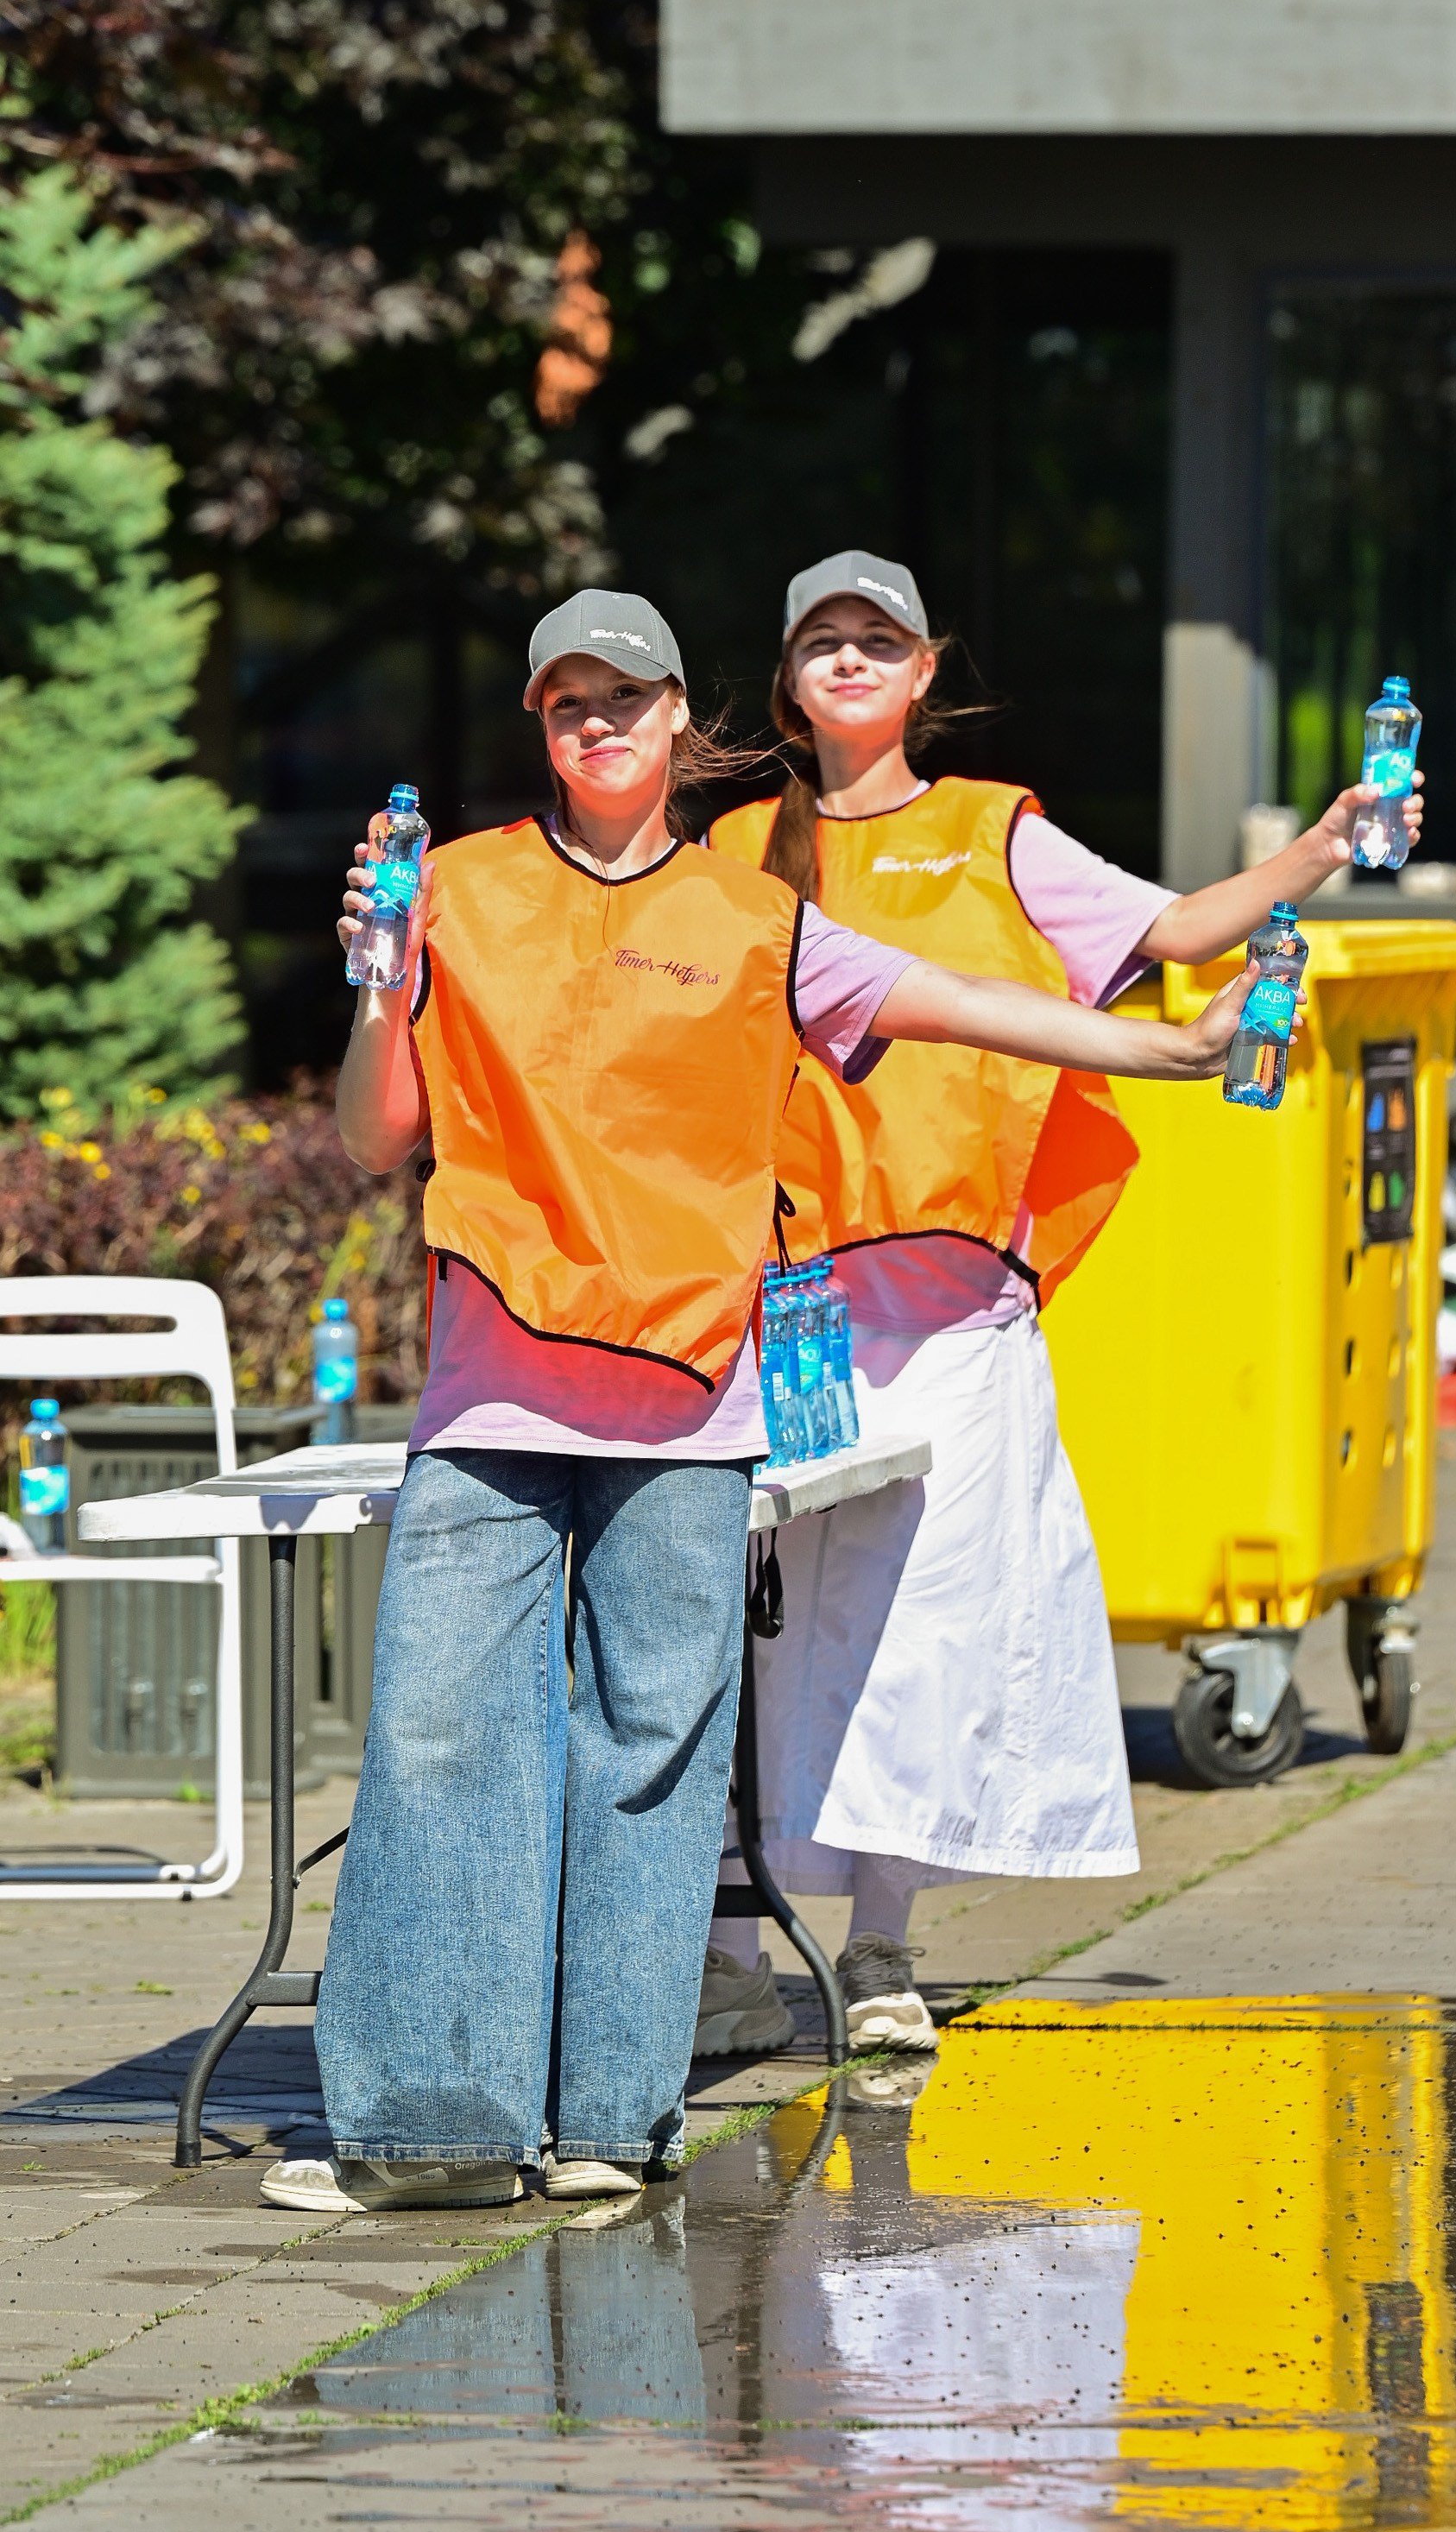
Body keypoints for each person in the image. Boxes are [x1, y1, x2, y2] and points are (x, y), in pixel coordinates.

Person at [256, 585, 1276, 2216]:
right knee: (445, 1744)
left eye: (628, 698)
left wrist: (1162, 1055)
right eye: (568, 701)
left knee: (653, 1761)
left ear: (681, 719)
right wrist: (384, 978)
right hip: (494, 1399)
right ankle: (427, 2130)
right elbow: (381, 1136)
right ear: (541, 723)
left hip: (688, 1408)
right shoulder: (458, 887)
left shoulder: (755, 917)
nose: (599, 724)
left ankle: (607, 2121)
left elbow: (959, 1002)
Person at [705, 549, 1423, 2055]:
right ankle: (729, 1954)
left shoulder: (992, 835)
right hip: (778, 1303)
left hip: (953, 1299)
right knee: (750, 1627)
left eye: (875, 640)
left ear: (921, 673)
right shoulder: (728, 852)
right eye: (818, 640)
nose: (846, 659)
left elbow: (1171, 933)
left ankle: (883, 1952)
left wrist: (1323, 846)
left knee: (920, 1629)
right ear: (787, 679)